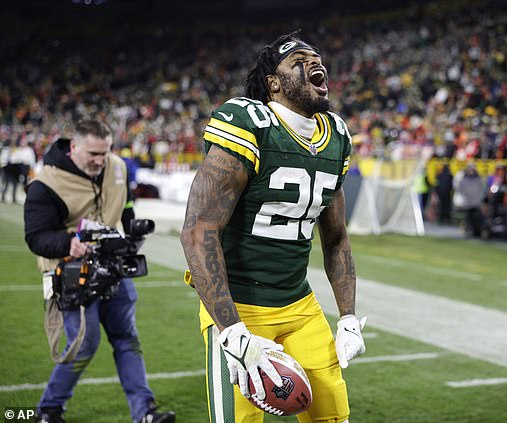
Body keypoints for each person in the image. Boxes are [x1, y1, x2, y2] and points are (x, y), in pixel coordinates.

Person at [180, 31, 366, 423]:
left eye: (317, 56)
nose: (316, 62)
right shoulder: (249, 123)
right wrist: (230, 329)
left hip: (300, 306)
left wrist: (347, 316)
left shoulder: (335, 137)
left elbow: (336, 238)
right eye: (299, 58)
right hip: (241, 307)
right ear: (274, 83)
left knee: (335, 418)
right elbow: (199, 230)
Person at [23, 120, 175, 423]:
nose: (100, 160)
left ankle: (144, 411)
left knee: (127, 338)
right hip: (66, 273)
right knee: (83, 343)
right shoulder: (46, 183)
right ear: (74, 147)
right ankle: (48, 409)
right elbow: (36, 237)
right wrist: (68, 243)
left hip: (112, 268)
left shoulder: (117, 166)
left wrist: (132, 230)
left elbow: (126, 206)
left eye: (104, 152)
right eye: (93, 153)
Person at [457, 163, 485, 237]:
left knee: (477, 218)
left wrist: (480, 198)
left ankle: (477, 232)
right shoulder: (464, 179)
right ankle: (469, 232)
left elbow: (482, 190)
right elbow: (460, 189)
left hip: (476, 202)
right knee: (468, 219)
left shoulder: (478, 179)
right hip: (467, 202)